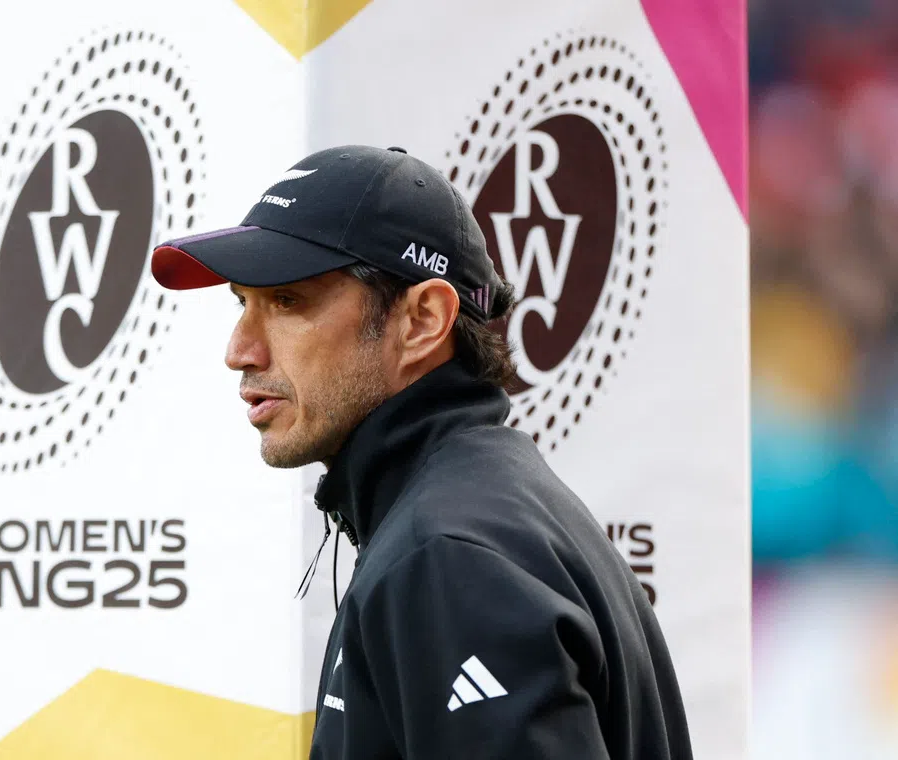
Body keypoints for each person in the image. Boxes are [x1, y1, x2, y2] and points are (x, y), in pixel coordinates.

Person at [151, 145, 693, 759]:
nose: (240, 351)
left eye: (287, 302)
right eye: (242, 303)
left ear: (423, 321)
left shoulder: (445, 554)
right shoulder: (478, 510)